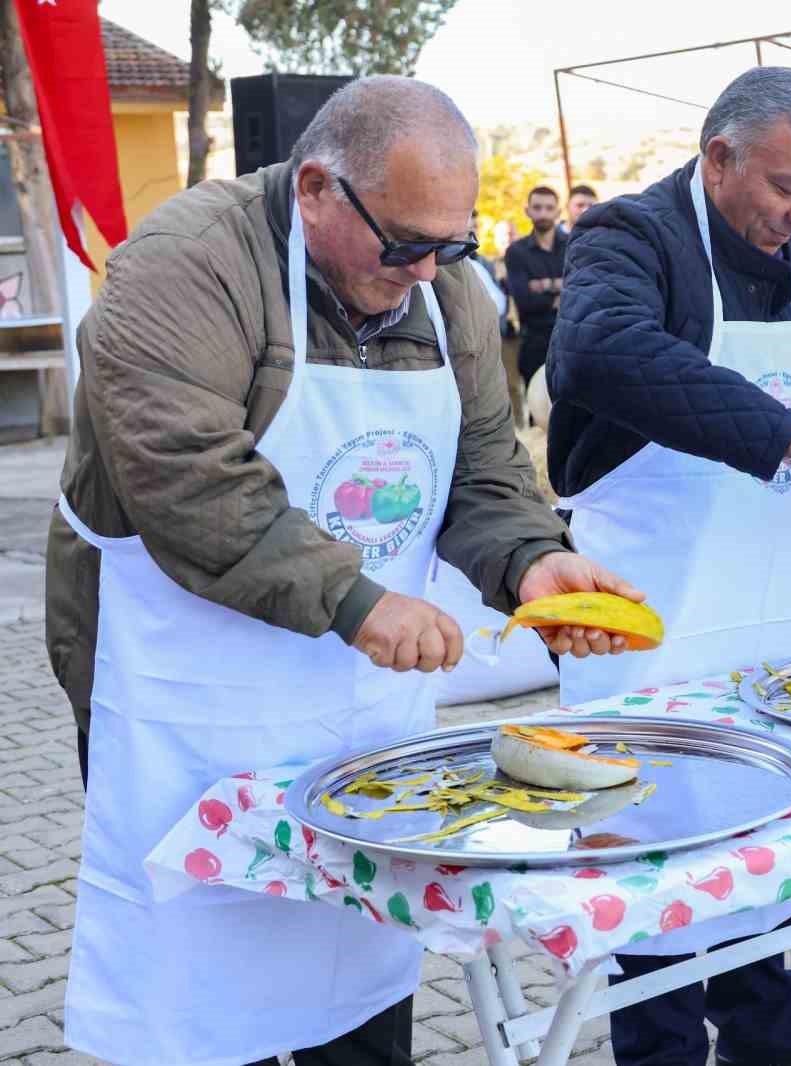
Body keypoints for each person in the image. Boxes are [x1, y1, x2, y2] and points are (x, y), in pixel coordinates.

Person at [45, 76, 642, 1066]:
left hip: (357, 702)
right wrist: (358, 600)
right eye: (403, 243)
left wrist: (534, 562)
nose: (423, 271)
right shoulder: (184, 265)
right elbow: (190, 481)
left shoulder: (441, 290)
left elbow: (486, 468)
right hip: (185, 695)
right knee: (202, 978)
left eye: (448, 247)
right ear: (317, 186)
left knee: (351, 971)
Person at [548, 66, 791, 1066]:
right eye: (789, 189)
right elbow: (600, 352)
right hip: (652, 610)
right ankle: (660, 1049)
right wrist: (789, 435)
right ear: (718, 157)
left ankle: (767, 1036)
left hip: (773, 605)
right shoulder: (629, 235)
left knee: (766, 826)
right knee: (651, 839)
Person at [506, 184, 568, 392]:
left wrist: (543, 285)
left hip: (571, 341)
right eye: (537, 207)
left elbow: (580, 288)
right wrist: (560, 289)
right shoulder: (516, 252)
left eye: (549, 208)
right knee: (538, 412)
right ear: (528, 211)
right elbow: (524, 301)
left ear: (558, 212)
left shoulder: (572, 245)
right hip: (535, 342)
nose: (543, 213)